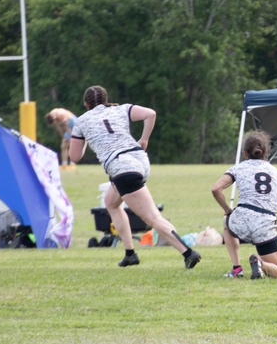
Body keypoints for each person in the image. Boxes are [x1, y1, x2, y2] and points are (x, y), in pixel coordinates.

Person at [69, 85, 201, 269]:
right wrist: (144, 139)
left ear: (86, 104)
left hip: (122, 168)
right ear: (106, 99)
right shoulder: (121, 108)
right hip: (139, 160)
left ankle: (188, 252)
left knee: (152, 218)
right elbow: (150, 114)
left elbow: (74, 157)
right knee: (111, 203)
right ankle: (130, 254)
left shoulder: (81, 121)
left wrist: (83, 139)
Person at [211, 130, 277, 279]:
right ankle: (260, 264)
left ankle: (237, 269)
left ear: (245, 152)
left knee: (226, 221)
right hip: (263, 227)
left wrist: (228, 210)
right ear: (265, 152)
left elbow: (216, 189)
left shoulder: (238, 168)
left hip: (241, 221)